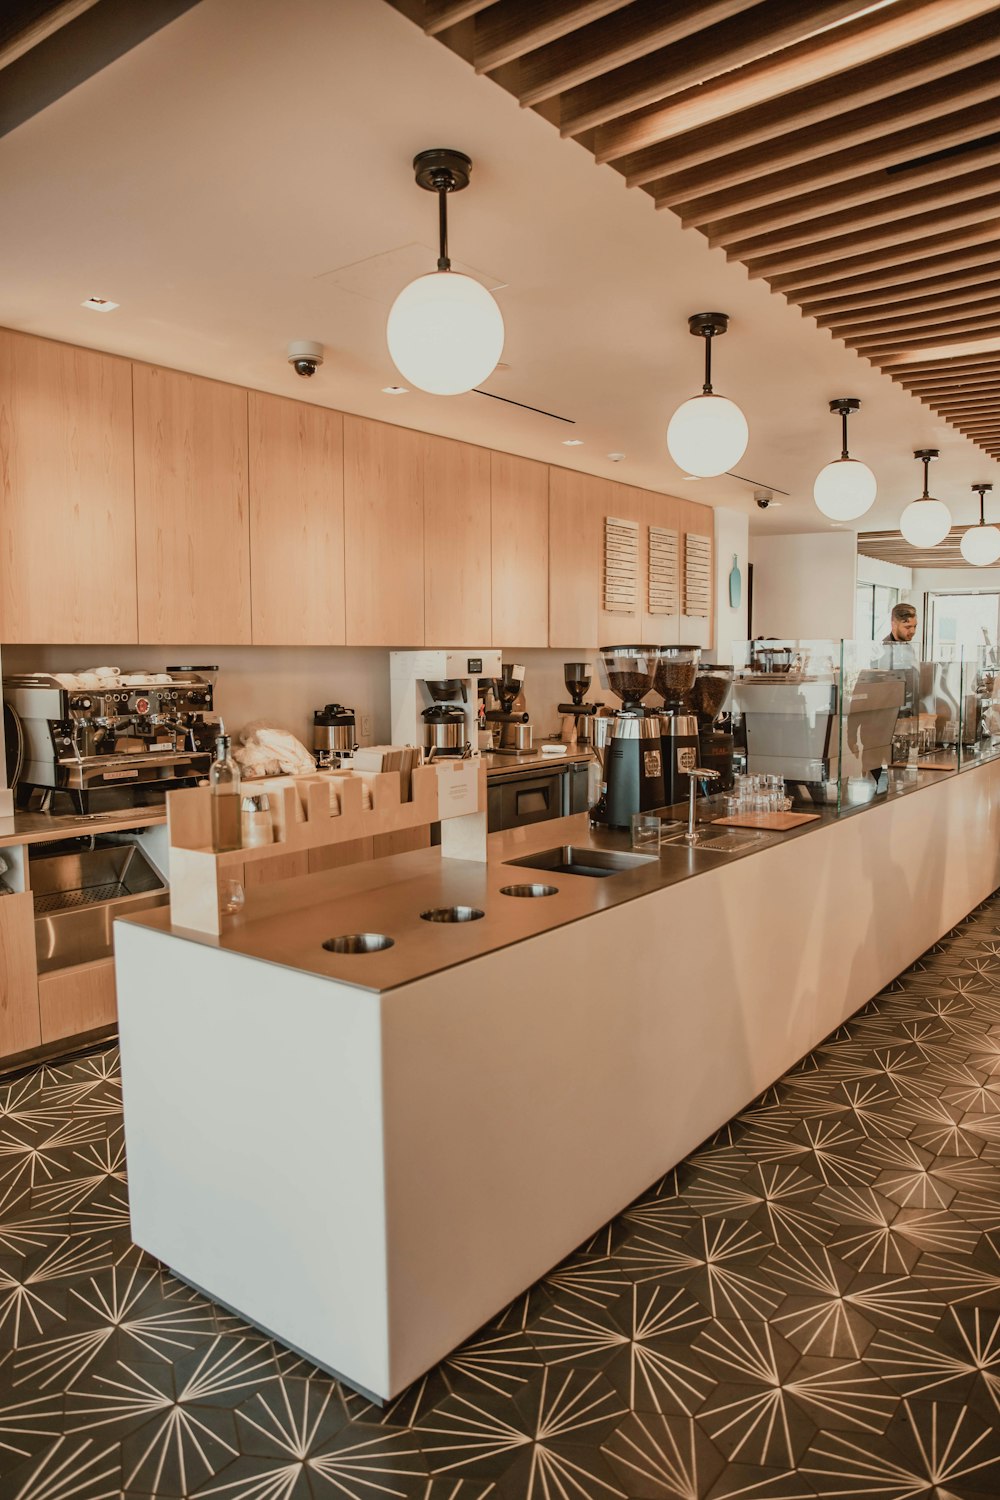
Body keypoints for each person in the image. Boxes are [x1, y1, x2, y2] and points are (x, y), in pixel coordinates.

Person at [878, 603, 919, 717]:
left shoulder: (910, 648)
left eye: (915, 626)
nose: (913, 631)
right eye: (907, 627)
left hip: (907, 710)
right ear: (893, 625)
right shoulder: (881, 650)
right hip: (887, 713)